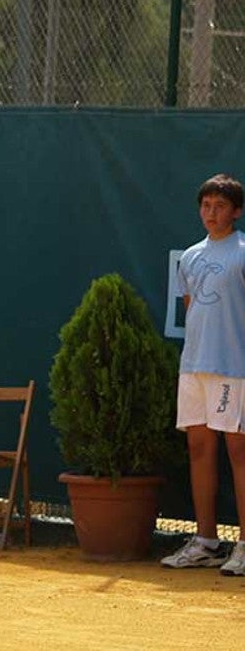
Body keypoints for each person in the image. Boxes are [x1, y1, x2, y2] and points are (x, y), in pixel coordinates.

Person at [161, 173, 245, 576]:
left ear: (236, 212)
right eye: (206, 206)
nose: (211, 213)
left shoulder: (244, 251)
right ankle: (206, 541)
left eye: (220, 206)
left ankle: (244, 546)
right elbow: (194, 310)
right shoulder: (191, 257)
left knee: (239, 454)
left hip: (234, 368)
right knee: (199, 451)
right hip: (193, 367)